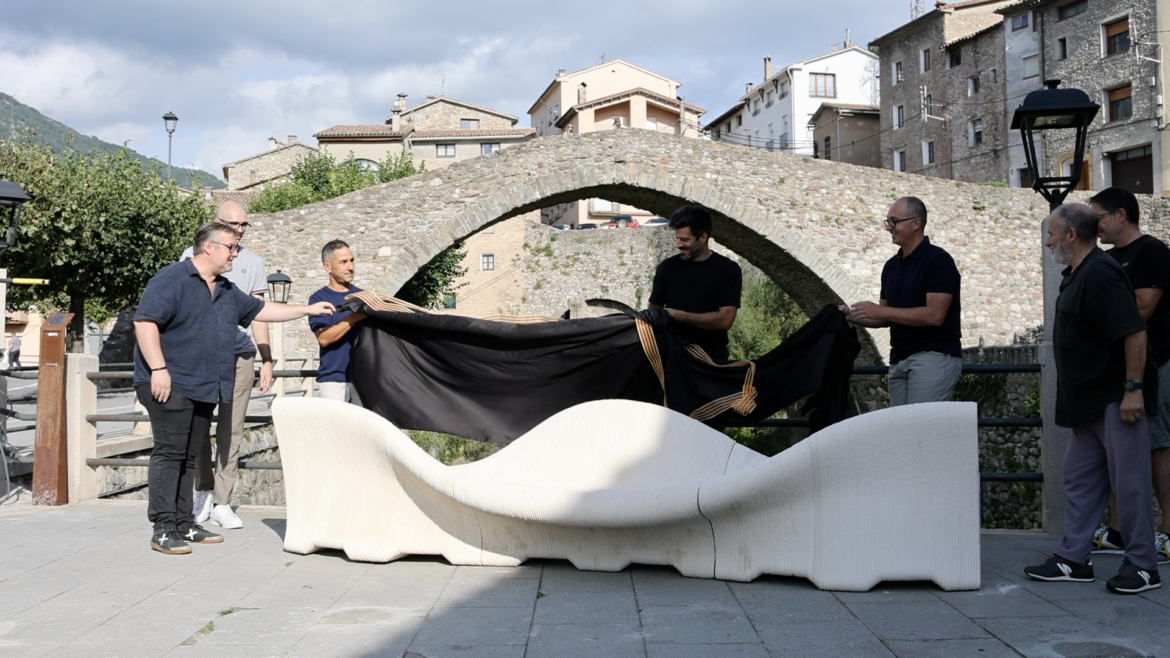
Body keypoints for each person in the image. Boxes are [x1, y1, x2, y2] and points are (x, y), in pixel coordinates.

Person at [134, 222, 335, 555]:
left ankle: (184, 523)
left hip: (203, 385)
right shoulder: (171, 279)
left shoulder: (226, 289)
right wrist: (158, 369)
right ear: (209, 247)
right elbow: (145, 322)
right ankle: (163, 528)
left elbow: (261, 310)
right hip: (170, 381)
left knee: (186, 455)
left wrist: (306, 309)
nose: (235, 253)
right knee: (170, 453)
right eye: (231, 247)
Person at [1024, 203, 1161, 594]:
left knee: (1130, 484)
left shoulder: (1100, 273)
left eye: (1051, 233)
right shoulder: (1077, 274)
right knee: (1079, 480)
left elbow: (1134, 332)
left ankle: (1143, 566)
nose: (1048, 241)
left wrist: (1133, 391)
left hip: (1115, 400)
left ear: (1071, 235)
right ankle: (1073, 558)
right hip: (1087, 405)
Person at [1090, 187, 1170, 565]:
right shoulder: (1106, 259)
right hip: (1119, 370)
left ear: (1121, 215)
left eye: (1099, 217)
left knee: (1157, 449)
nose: (1095, 225)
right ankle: (1120, 531)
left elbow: (1143, 308)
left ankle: (1167, 532)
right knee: (1118, 452)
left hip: (1157, 364)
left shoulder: (1152, 252)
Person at [180, 201, 272, 531]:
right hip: (201, 355)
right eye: (235, 223)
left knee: (231, 429)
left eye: (245, 224)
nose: (241, 229)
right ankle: (202, 491)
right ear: (216, 223)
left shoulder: (253, 262)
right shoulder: (190, 257)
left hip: (240, 354)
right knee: (198, 426)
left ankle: (222, 501)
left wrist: (266, 358)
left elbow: (259, 314)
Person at [841, 196, 962, 406]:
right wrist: (851, 316)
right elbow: (885, 318)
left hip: (932, 356)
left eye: (894, 221)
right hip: (899, 359)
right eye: (887, 221)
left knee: (919, 429)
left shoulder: (939, 261)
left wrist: (880, 312)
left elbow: (934, 315)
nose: (889, 228)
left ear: (916, 223)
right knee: (902, 432)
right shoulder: (891, 266)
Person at [648, 206, 741, 362]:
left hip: (711, 362)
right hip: (672, 359)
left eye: (684, 239)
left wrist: (677, 315)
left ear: (703, 238)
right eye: (677, 238)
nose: (678, 244)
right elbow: (652, 312)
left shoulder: (728, 270)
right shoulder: (667, 268)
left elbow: (725, 320)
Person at [309, 240, 367, 404]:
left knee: (362, 430)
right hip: (333, 381)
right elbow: (324, 338)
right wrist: (355, 316)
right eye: (343, 262)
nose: (350, 267)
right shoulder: (318, 299)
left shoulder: (364, 297)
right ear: (327, 267)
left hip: (363, 380)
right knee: (333, 430)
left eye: (352, 260)